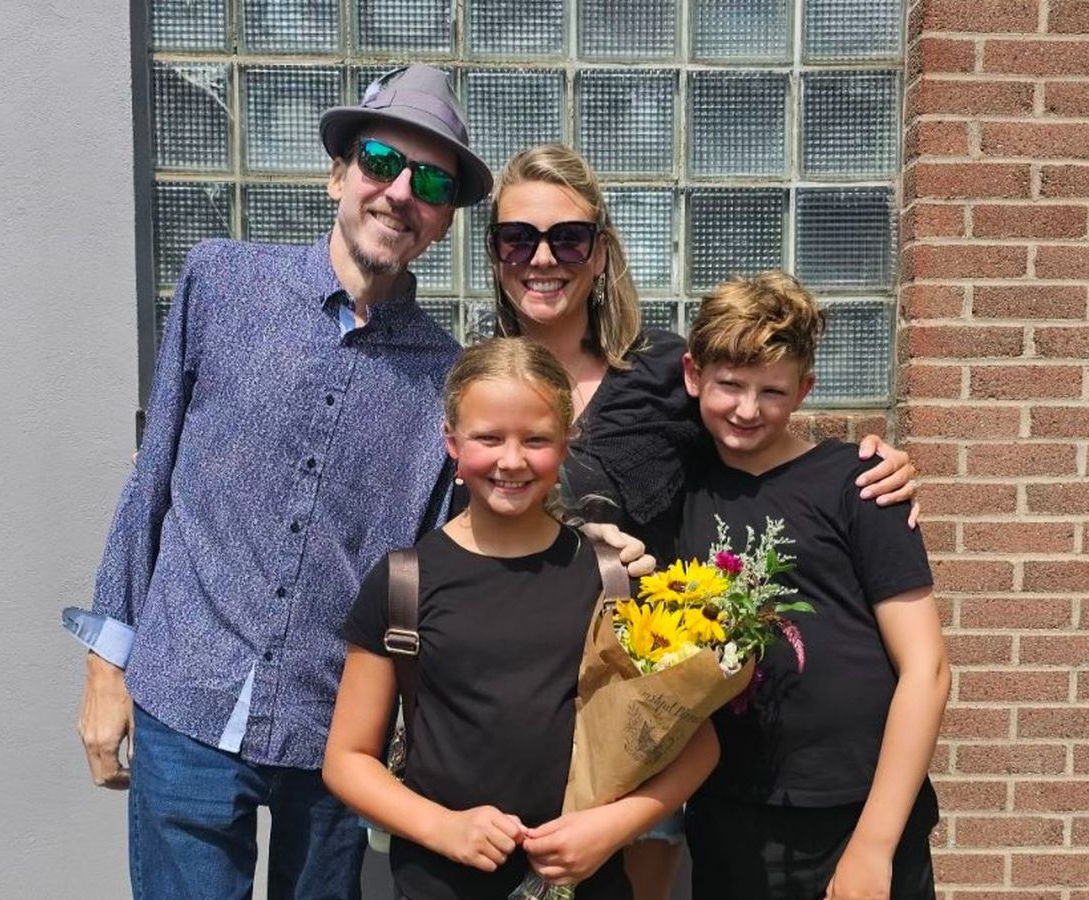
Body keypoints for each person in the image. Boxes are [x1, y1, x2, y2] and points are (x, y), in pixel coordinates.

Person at [60, 65, 496, 899]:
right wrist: (105, 666)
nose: (401, 193)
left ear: (444, 221)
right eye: (380, 162)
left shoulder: (448, 379)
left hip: (332, 732)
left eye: (432, 182)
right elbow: (152, 481)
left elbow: (437, 569)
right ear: (338, 174)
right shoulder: (220, 283)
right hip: (184, 694)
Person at [484, 144, 923, 897]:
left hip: (653, 713)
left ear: (600, 252)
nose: (543, 258)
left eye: (569, 238)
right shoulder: (479, 378)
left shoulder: (664, 371)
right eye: (518, 238)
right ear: (495, 251)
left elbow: (758, 427)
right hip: (522, 702)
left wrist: (873, 464)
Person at [323, 337, 720, 900]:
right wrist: (442, 827)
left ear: (565, 444)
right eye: (488, 438)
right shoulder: (403, 582)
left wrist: (610, 828)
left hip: (588, 885)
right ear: (452, 443)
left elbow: (699, 747)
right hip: (441, 887)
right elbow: (347, 759)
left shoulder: (610, 579)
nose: (511, 460)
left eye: (535, 440)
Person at [677, 272, 950, 899]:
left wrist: (874, 846)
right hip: (729, 811)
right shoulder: (675, 485)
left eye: (772, 391)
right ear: (694, 374)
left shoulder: (860, 484)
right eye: (729, 385)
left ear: (804, 390)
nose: (747, 409)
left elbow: (927, 668)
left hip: (856, 810)